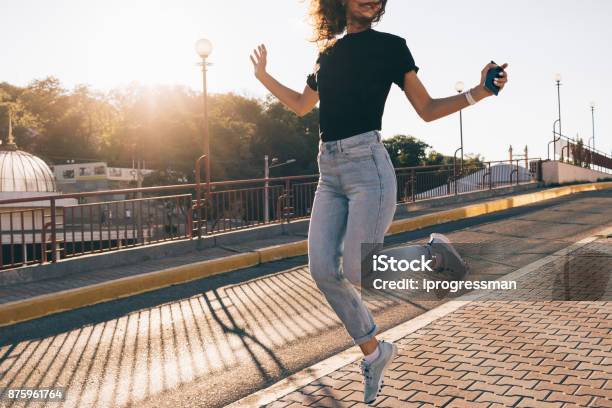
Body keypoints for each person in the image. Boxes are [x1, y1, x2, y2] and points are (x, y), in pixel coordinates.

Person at [250, 0, 508, 403]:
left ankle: (436, 253)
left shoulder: (391, 46)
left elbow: (426, 109)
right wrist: (264, 76)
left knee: (358, 268)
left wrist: (478, 93)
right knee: (321, 269)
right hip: (329, 172)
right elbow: (302, 105)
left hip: (368, 166)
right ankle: (374, 352)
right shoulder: (327, 54)